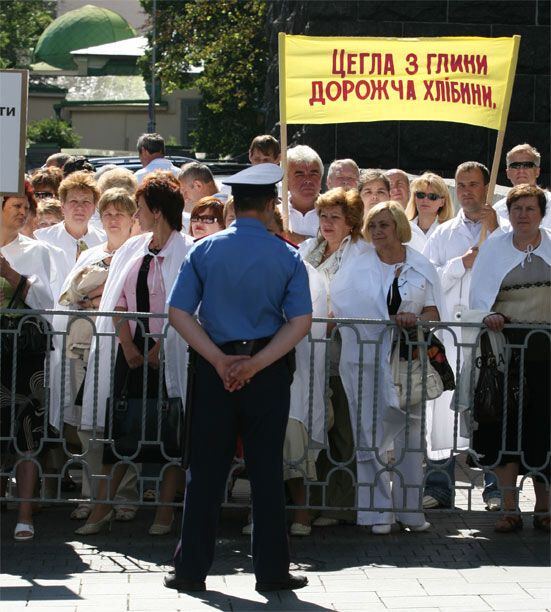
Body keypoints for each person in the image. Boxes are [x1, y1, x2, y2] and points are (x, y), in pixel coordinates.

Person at [166, 163, 311, 593]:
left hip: (214, 372)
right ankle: (271, 571)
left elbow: (178, 313)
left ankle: (190, 569)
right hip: (264, 375)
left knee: (205, 471)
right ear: (270, 206)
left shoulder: (204, 250)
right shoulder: (286, 254)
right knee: (266, 471)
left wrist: (218, 360)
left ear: (234, 206)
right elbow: (300, 320)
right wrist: (256, 363)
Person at [76, 172, 193, 536]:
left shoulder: (187, 250)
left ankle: (164, 512)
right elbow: (118, 300)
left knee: (172, 430)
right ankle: (102, 508)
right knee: (120, 429)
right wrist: (127, 345)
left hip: (172, 352)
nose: (137, 216)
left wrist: (161, 346)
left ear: (157, 211)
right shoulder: (133, 248)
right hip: (132, 351)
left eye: (140, 208)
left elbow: (189, 305)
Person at [331, 201, 446, 534]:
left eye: (385, 225)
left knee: (411, 436)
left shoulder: (420, 265)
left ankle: (410, 509)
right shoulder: (357, 265)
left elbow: (434, 313)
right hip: (366, 360)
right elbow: (343, 305)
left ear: (398, 227)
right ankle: (377, 511)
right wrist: (386, 321)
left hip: (407, 360)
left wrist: (412, 321)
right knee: (369, 433)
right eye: (374, 225)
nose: (378, 232)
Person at [469, 184, 550, 533]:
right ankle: (509, 507)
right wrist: (489, 316)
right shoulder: (494, 248)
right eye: (516, 209)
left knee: (544, 429)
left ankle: (545, 509)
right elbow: (479, 299)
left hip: (546, 353)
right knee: (503, 430)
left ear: (541, 214)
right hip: (504, 354)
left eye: (530, 209)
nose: (523, 215)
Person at [422, 161, 502, 510]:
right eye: (461, 185)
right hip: (451, 334)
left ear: (486, 188)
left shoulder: (502, 229)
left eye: (474, 184)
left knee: (489, 406)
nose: (467, 191)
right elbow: (427, 278)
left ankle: (494, 488)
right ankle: (439, 486)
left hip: (486, 334)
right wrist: (460, 264)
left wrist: (497, 233)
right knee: (440, 412)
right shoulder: (442, 234)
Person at [58, 188, 139, 522]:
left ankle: (124, 496)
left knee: (123, 423)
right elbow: (68, 297)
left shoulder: (138, 253)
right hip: (85, 349)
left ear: (133, 218)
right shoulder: (89, 255)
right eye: (107, 213)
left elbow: (126, 296)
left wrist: (95, 297)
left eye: (121, 213)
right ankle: (91, 495)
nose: (114, 219)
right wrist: (95, 296)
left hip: (123, 349)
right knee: (88, 427)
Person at [299, 187, 369, 529]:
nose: (327, 223)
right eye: (323, 216)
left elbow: (363, 299)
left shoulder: (362, 254)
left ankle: (340, 505)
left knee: (342, 428)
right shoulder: (307, 249)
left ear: (351, 222)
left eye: (335, 217)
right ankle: (311, 501)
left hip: (343, 352)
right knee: (315, 427)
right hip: (307, 353)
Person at [1, 185, 54, 541]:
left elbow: (48, 302)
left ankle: (24, 513)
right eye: (17, 205)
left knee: (26, 434)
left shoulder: (36, 251)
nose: (24, 212)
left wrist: (12, 275)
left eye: (27, 206)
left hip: (23, 355)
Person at [493, 143, 551, 229]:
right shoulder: (496, 211)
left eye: (527, 165)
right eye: (515, 166)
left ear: (537, 171)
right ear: (508, 173)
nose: (521, 170)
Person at [284, 145, 323, 243]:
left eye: (313, 173)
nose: (308, 180)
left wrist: (295, 238)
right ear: (286, 181)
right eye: (299, 174)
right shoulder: (274, 215)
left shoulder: (336, 213)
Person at [405, 172, 455, 247]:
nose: (425, 200)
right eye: (420, 195)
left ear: (442, 202)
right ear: (414, 198)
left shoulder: (450, 231)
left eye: (432, 196)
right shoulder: (402, 228)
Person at [178, 162, 227, 231]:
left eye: (185, 191)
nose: (185, 198)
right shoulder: (231, 206)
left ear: (198, 185)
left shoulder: (216, 209)